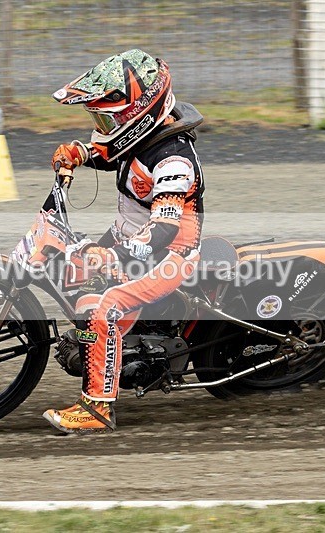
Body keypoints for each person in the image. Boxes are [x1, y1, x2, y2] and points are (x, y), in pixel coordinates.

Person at [42, 49, 205, 434]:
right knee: (70, 272)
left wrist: (109, 254)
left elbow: (162, 230)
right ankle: (111, 347)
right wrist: (82, 152)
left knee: (103, 308)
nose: (100, 126)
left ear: (138, 116)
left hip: (169, 254)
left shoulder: (174, 164)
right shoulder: (143, 137)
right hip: (128, 239)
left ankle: (97, 409)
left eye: (105, 118)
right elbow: (115, 152)